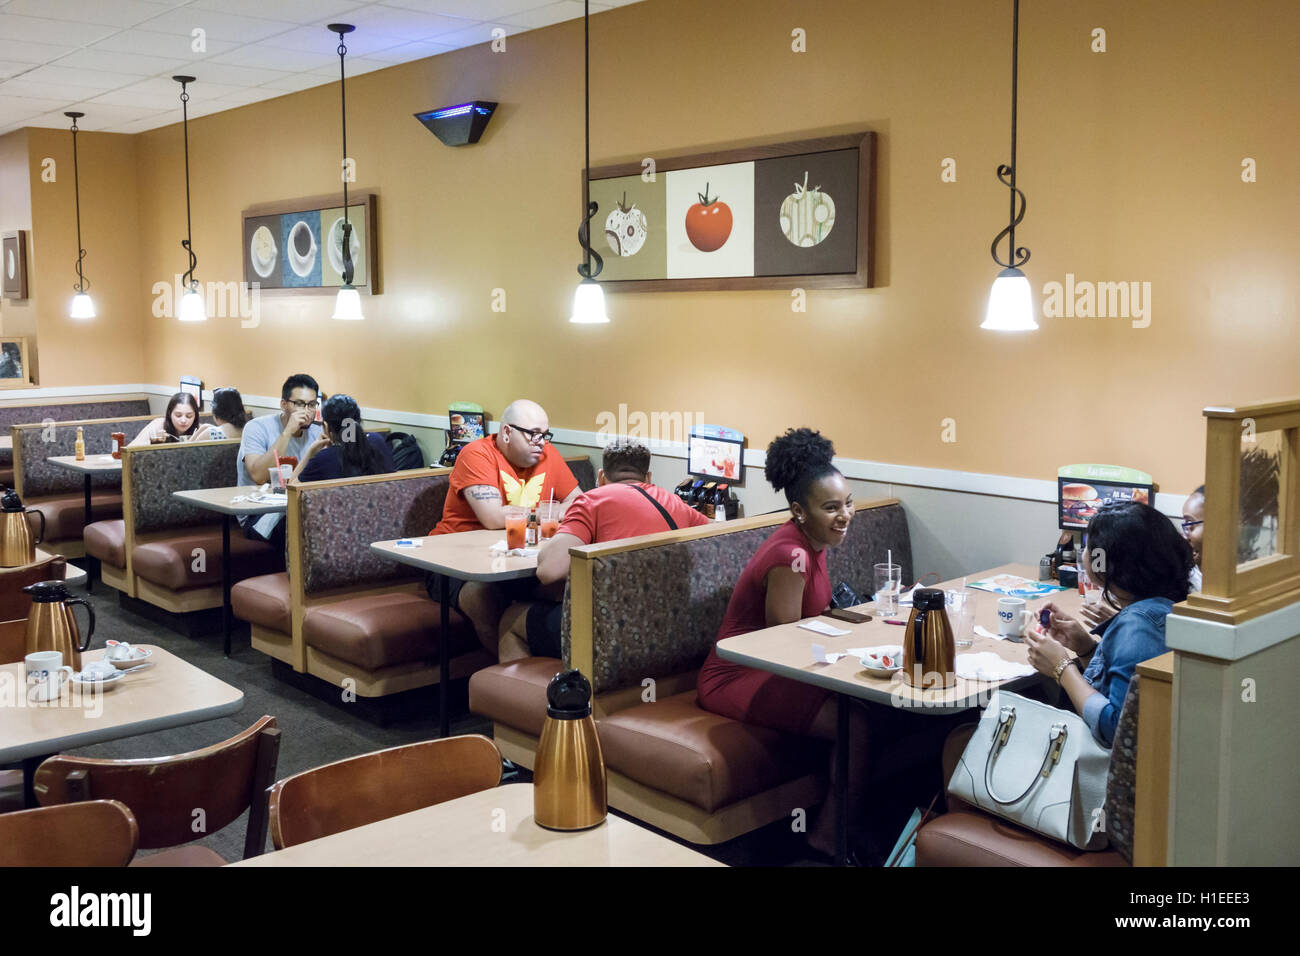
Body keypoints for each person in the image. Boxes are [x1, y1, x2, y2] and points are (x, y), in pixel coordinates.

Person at [695, 427, 869, 858]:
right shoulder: (789, 556)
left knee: (872, 711)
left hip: (770, 665)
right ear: (799, 510)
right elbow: (783, 645)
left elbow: (811, 620)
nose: (844, 514)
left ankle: (858, 823)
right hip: (737, 673)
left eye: (848, 503)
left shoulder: (815, 542)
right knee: (858, 727)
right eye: (831, 507)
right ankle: (828, 837)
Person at [503, 440, 710, 661]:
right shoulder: (676, 502)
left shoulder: (591, 501)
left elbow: (549, 571)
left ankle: (556, 692)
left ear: (600, 476)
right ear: (648, 477)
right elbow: (720, 537)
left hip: (613, 634)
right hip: (675, 626)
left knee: (510, 620)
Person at [1028, 500, 1194, 747]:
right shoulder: (1165, 608)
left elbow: (1116, 727)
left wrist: (1061, 668)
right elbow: (1128, 685)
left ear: (1102, 562)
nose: (1085, 554)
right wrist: (1086, 649)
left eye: (1088, 547)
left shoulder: (1139, 626)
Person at [427, 399, 582, 658]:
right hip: (454, 562)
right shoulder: (477, 454)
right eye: (533, 435)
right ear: (507, 432)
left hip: (517, 561)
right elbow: (493, 518)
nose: (541, 442)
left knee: (566, 584)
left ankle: (543, 674)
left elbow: (580, 504)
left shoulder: (549, 454)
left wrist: (535, 514)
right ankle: (501, 681)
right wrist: (549, 512)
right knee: (483, 596)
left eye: (545, 435)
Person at [236, 373, 324, 549]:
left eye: (312, 404)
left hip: (300, 507)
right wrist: (287, 432)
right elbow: (258, 476)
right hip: (259, 514)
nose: (306, 411)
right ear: (283, 404)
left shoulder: (317, 433)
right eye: (299, 404)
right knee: (303, 526)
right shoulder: (256, 427)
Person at [291, 394, 394, 482]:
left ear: (326, 427)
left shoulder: (323, 458)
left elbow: (292, 489)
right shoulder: (377, 441)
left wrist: (310, 453)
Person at [127, 392, 202, 446]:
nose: (183, 420)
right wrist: (153, 442)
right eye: (178, 415)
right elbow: (130, 449)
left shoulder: (201, 430)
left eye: (189, 416)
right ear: (169, 414)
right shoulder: (159, 424)